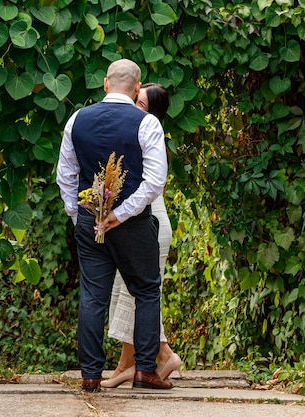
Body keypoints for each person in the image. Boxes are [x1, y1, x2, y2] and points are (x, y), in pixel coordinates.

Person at [56, 59, 173, 392]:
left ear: (106, 83)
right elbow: (154, 182)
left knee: (93, 296)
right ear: (137, 88)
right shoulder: (147, 123)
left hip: (90, 223)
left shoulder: (77, 119)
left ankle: (91, 375)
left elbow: (65, 175)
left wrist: (80, 215)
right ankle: (145, 371)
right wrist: (122, 214)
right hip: (132, 225)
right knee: (148, 290)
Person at [102, 83, 182, 388]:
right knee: (129, 295)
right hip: (137, 225)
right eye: (135, 101)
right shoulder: (134, 132)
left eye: (142, 105)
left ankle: (149, 360)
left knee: (137, 295)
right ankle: (148, 359)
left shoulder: (149, 135)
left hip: (151, 226)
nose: (134, 107)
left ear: (154, 115)